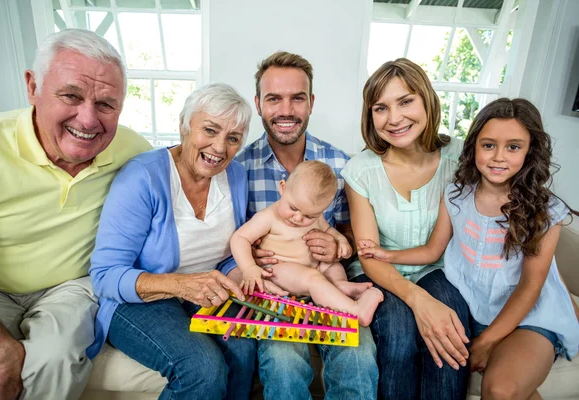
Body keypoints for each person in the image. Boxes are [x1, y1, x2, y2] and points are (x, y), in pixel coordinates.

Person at [359, 98, 579, 399]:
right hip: (476, 310)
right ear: (473, 146)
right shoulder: (456, 195)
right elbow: (432, 250)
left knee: (500, 389)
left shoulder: (546, 210)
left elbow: (530, 287)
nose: (499, 157)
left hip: (528, 317)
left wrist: (487, 341)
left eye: (513, 147)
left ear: (530, 152)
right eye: (489, 145)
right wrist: (389, 255)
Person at [0, 29, 152, 400]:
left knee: (56, 357)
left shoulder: (135, 152)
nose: (88, 120)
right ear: (32, 87)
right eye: (71, 95)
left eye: (106, 105)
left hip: (71, 285)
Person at [88, 82, 274, 400]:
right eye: (210, 130)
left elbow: (229, 254)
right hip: (139, 301)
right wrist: (181, 285)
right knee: (202, 368)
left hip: (203, 292)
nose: (219, 147)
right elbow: (105, 276)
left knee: (242, 347)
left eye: (233, 138)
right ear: (184, 126)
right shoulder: (142, 177)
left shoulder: (236, 176)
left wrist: (239, 276)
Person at [234, 51, 379, 400]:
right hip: (276, 289)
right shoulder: (238, 169)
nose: (286, 110)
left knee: (357, 353)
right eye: (274, 99)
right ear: (258, 104)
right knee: (283, 359)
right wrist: (252, 259)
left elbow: (352, 235)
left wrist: (337, 244)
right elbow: (235, 238)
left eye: (297, 98)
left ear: (311, 103)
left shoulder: (342, 165)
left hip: (324, 278)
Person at [342, 58, 471, 399]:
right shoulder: (360, 170)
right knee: (397, 337)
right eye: (380, 108)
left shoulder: (460, 157)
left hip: (438, 267)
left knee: (451, 326)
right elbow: (369, 256)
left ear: (427, 99)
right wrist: (418, 300)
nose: (394, 118)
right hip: (378, 271)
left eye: (406, 101)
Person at [231, 160, 383, 326]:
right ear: (282, 188)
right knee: (313, 277)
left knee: (333, 266)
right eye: (293, 208)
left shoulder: (315, 216)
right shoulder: (268, 217)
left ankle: (338, 287)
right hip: (279, 272)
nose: (298, 218)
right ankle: (355, 310)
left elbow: (329, 230)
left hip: (312, 268)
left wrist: (341, 240)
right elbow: (240, 238)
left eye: (309, 216)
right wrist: (249, 268)